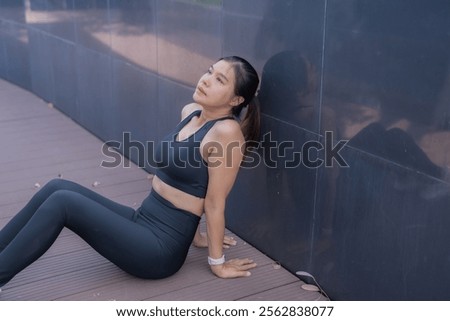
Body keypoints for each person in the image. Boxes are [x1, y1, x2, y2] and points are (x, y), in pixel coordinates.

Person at [0, 56, 260, 291]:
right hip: (142, 218)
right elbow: (189, 178)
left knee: (63, 203)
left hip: (159, 250)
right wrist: (199, 237)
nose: (206, 80)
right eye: (210, 71)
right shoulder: (190, 112)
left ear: (236, 100)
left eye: (219, 80)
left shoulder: (227, 134)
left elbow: (214, 201)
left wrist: (218, 263)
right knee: (56, 188)